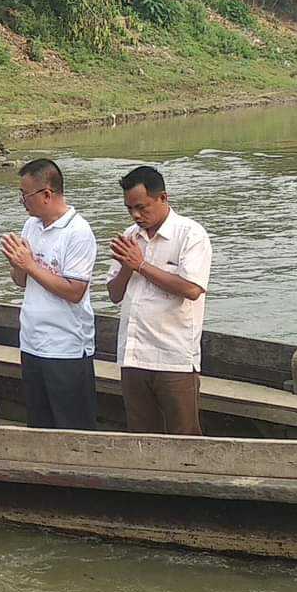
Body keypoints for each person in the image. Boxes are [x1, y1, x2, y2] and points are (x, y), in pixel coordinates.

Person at [108, 165, 212, 435]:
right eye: (129, 208)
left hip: (173, 357)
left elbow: (191, 289)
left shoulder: (190, 234)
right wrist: (128, 266)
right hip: (133, 355)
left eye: (142, 207)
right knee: (141, 435)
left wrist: (141, 265)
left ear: (163, 198)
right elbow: (114, 294)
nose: (136, 215)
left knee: (184, 434)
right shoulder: (130, 237)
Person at [1, 159, 98, 430]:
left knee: (72, 427)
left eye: (25, 195)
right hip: (32, 342)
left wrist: (30, 264)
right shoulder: (31, 226)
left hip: (65, 346)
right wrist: (17, 263)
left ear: (47, 194)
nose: (22, 201)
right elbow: (21, 281)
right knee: (39, 424)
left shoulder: (78, 232)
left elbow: (75, 291)